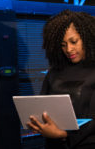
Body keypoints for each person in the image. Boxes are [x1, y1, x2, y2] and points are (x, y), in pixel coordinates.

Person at [26, 10, 95, 149]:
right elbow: (42, 104)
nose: (69, 49)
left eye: (73, 42)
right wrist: (38, 123)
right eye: (63, 44)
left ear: (87, 38)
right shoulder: (54, 72)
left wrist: (63, 134)